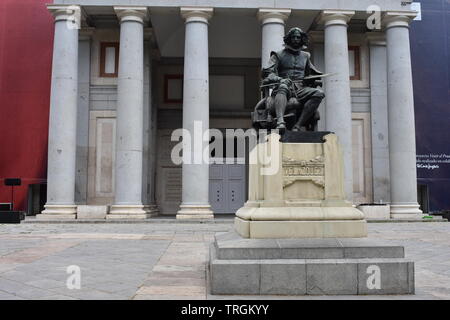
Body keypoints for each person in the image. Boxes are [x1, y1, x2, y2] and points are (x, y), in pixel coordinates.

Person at [262, 27, 325, 132]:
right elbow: (267, 73)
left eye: (298, 37)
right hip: (283, 87)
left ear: (302, 39)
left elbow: (310, 73)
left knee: (319, 93)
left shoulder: (306, 56)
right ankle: (280, 122)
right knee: (283, 86)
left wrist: (316, 79)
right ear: (289, 39)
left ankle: (298, 125)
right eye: (293, 37)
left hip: (300, 89)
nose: (296, 39)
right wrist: (280, 79)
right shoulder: (278, 55)